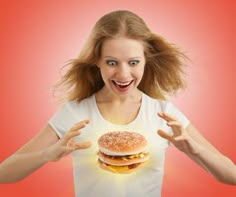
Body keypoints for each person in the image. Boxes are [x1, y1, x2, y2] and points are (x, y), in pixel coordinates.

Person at [0, 10, 235, 197]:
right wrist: (46, 155)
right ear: (97, 62)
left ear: (146, 61)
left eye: (133, 62)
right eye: (112, 63)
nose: (123, 74)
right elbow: (4, 173)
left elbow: (231, 175)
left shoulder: (163, 113)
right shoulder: (75, 112)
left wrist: (198, 151)